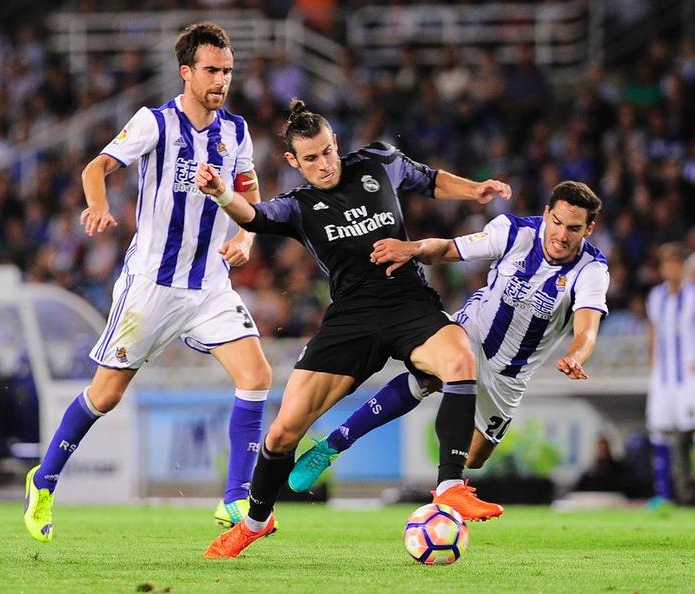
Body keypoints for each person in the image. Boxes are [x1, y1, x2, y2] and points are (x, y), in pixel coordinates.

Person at [196, 99, 512, 558]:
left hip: (408, 303)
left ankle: (449, 487)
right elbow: (255, 218)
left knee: (460, 360)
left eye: (327, 151)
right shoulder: (298, 205)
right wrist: (223, 193)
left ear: (336, 143)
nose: (323, 165)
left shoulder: (379, 162)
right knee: (284, 431)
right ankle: (255, 522)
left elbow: (428, 179)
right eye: (310, 158)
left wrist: (474, 191)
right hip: (351, 319)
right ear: (293, 161)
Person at [23, 22, 273, 542]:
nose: (221, 80)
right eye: (211, 70)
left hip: (209, 283)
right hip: (151, 286)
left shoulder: (236, 131)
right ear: (187, 72)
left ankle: (234, 500)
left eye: (227, 71)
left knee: (256, 376)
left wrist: (247, 239)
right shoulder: (154, 122)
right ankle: (43, 481)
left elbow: (247, 188)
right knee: (105, 395)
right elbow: (96, 168)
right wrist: (96, 207)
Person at [288, 181, 611, 494]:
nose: (561, 235)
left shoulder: (591, 270)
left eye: (573, 228)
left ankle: (447, 482)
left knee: (475, 457)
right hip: (472, 332)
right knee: (428, 378)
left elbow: (587, 328)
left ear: (588, 229)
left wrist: (576, 356)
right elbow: (448, 248)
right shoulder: (513, 233)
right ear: (546, 214)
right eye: (556, 222)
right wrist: (413, 248)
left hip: (511, 374)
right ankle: (335, 444)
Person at [645, 242, 695, 506]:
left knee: (691, 432)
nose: (672, 268)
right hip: (663, 378)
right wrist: (653, 362)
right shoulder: (655, 297)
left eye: (676, 262)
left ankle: (689, 492)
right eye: (667, 263)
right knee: (659, 431)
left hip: (689, 376)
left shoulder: (692, 295)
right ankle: (663, 495)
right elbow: (653, 331)